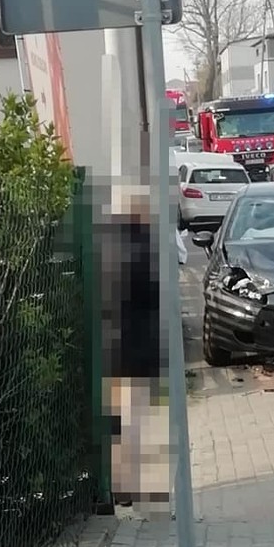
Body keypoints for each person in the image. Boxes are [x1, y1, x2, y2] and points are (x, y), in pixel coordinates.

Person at [102, 185, 169, 516]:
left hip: (109, 348)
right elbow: (154, 297)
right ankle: (133, 489)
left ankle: (117, 487)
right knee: (134, 424)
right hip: (136, 348)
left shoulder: (104, 246)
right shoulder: (143, 248)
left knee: (117, 424)